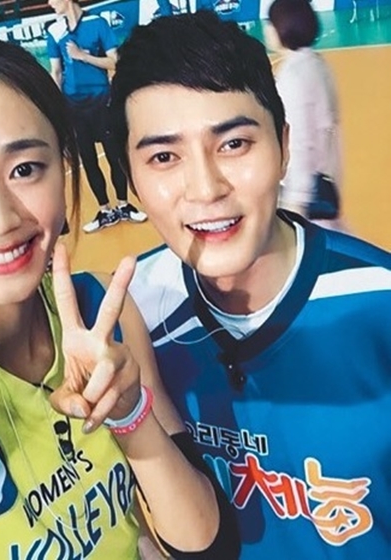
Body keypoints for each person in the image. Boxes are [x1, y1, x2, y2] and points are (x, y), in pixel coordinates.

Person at [0, 32, 240, 559]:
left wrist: (129, 413)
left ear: (64, 162)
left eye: (25, 169)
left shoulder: (100, 313)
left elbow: (207, 546)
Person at [109, 11, 391, 559]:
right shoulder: (126, 318)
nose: (205, 188)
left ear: (284, 146)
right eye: (164, 157)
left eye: (234, 144)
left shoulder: (377, 306)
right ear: (131, 178)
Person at [46, 0, 147, 233]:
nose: (49, 3)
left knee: (114, 155)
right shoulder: (54, 30)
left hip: (102, 101)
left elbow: (115, 62)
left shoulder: (97, 23)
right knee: (89, 160)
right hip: (74, 106)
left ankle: (123, 205)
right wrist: (56, 108)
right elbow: (56, 72)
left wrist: (83, 56)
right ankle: (105, 210)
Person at [265, 0, 345, 230]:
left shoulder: (293, 77)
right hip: (325, 178)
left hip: (307, 192)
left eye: (271, 23)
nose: (267, 29)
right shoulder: (317, 64)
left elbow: (300, 141)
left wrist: (296, 202)